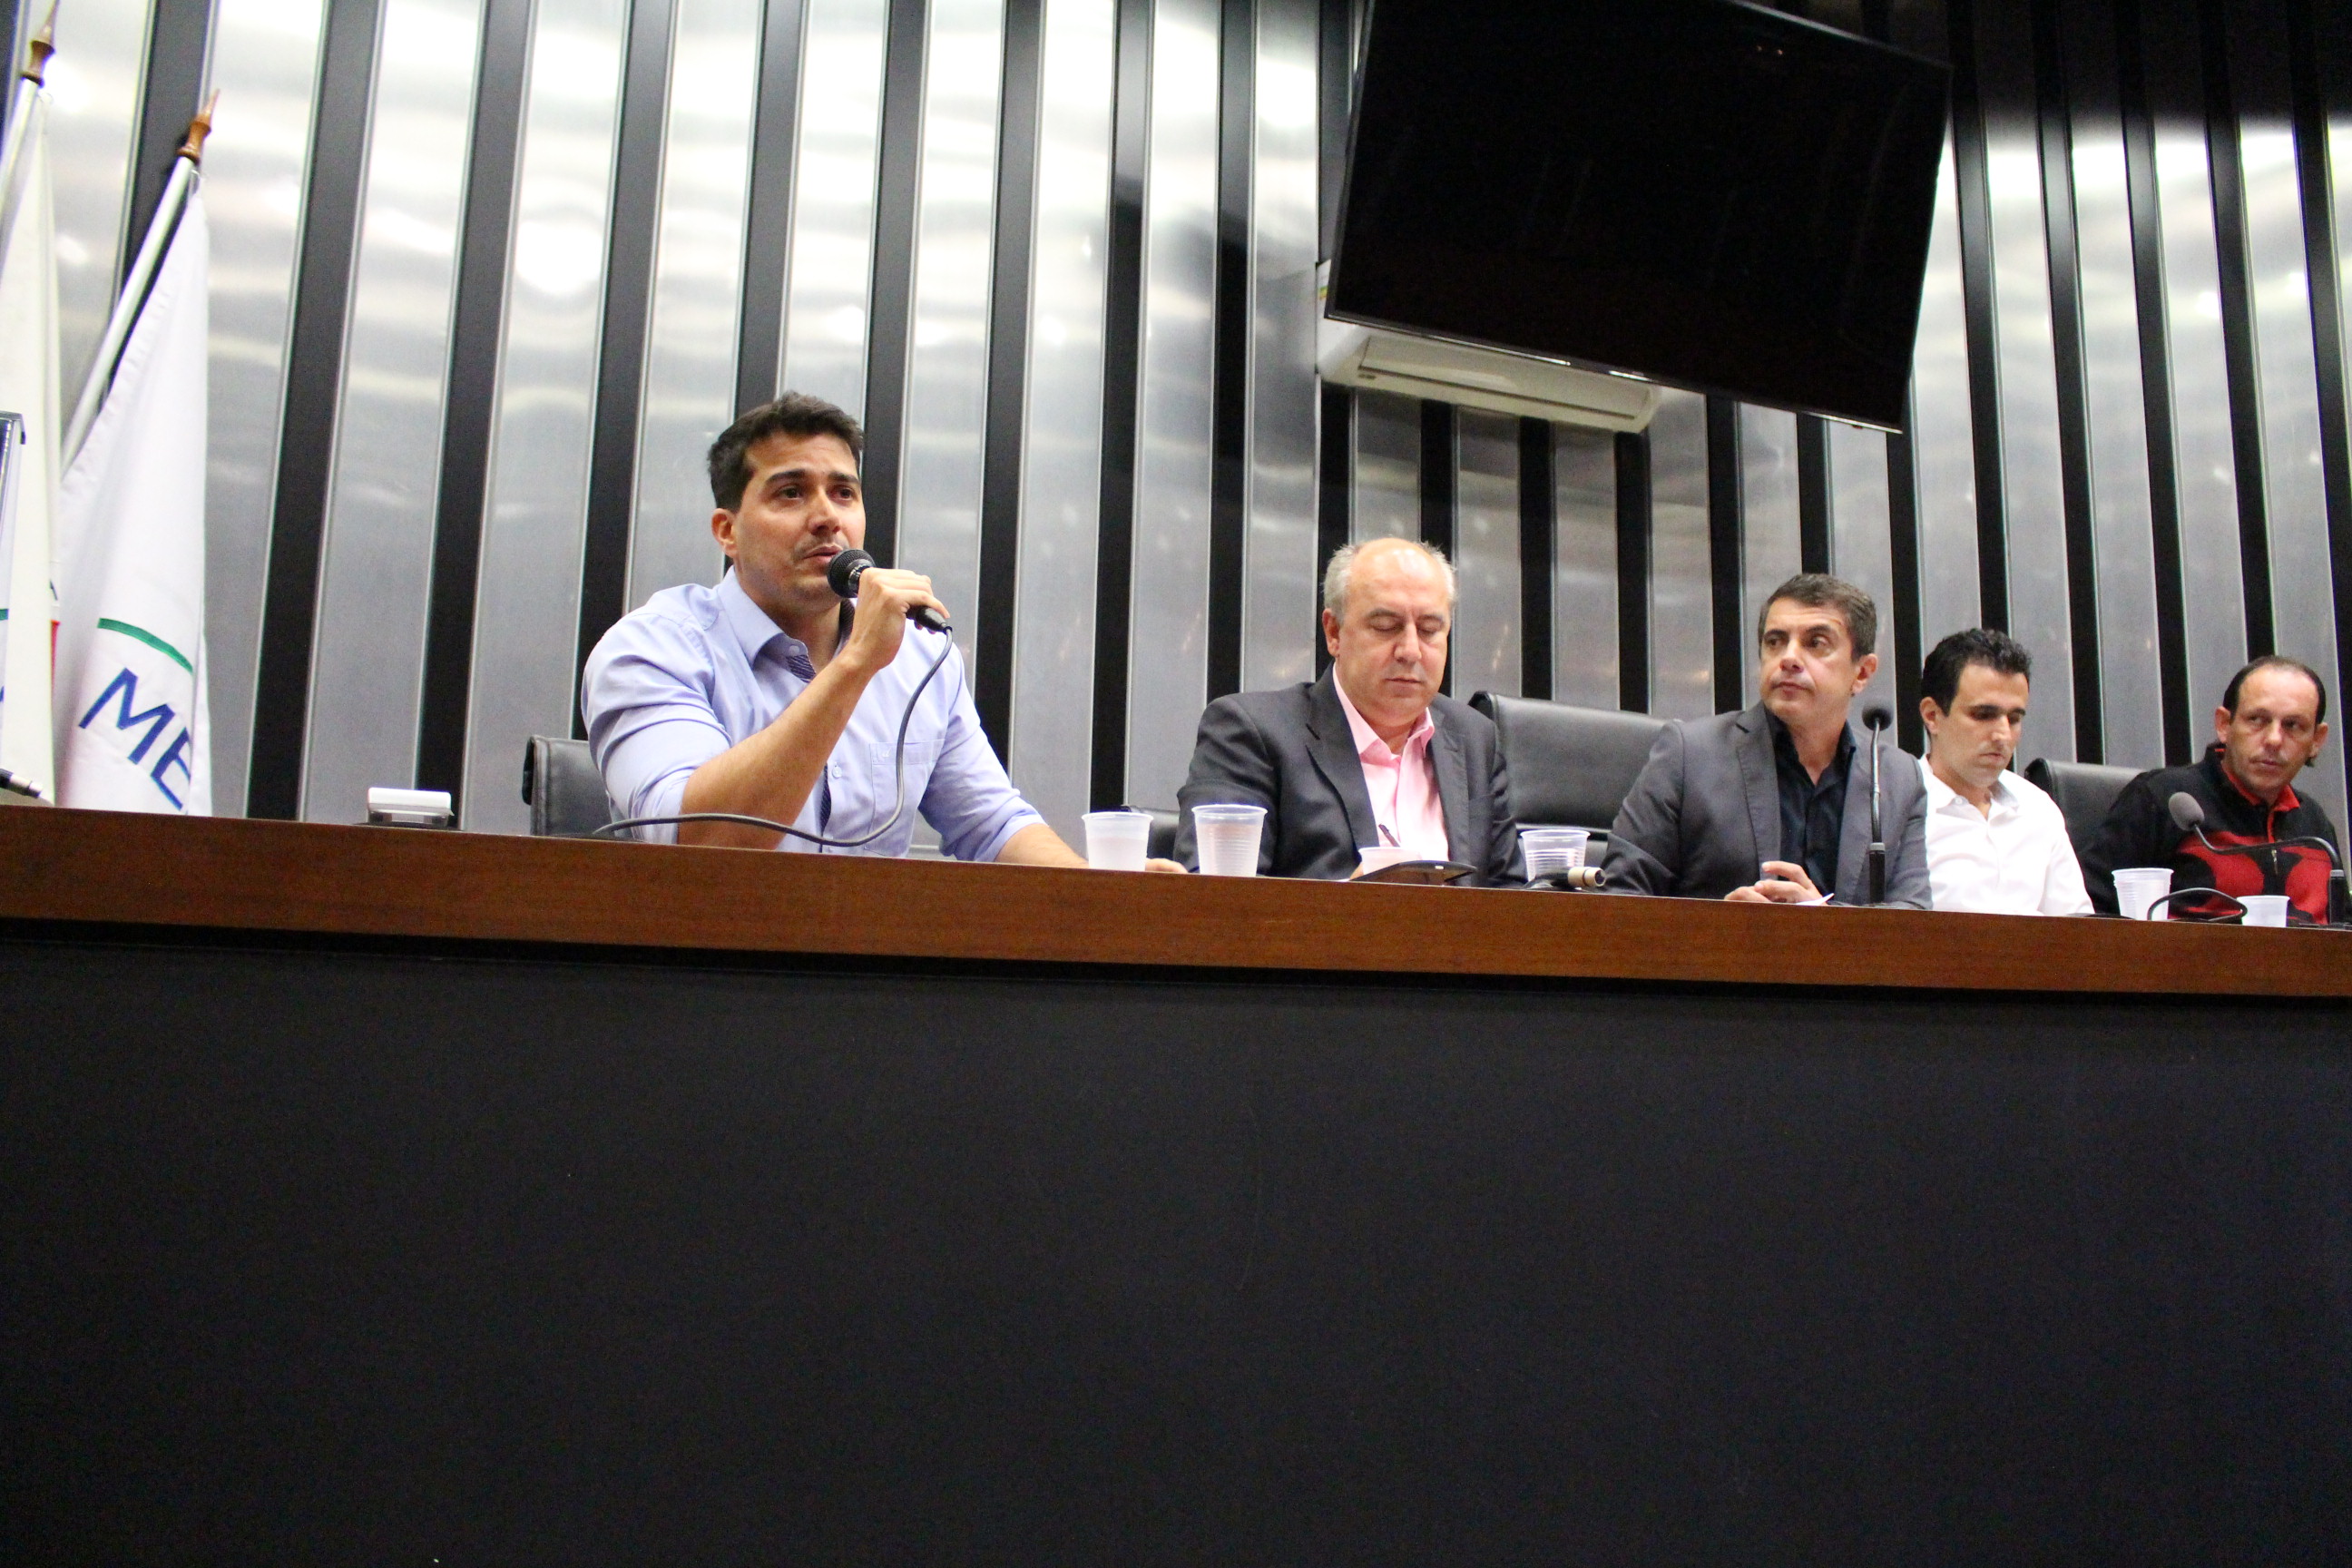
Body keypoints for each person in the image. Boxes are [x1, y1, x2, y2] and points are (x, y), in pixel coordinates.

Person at [583, 394, 1136, 867]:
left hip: (872, 955)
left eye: (844, 493)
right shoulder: (651, 650)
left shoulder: (918, 654)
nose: (828, 517)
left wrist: (1101, 891)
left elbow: (990, 826)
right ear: (728, 531)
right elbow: (698, 843)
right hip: (703, 954)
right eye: (791, 493)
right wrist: (855, 666)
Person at [1172, 536, 1518, 882]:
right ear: (1334, 632)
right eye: (1386, 627)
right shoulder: (1251, 732)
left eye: (1429, 630)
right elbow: (1216, 891)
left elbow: (1514, 896)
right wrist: (1346, 905)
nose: (1411, 651)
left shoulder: (1474, 738)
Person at [1604, 573, 1929, 905]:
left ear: (1862, 672)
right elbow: (1619, 897)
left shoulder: (1897, 778)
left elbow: (1914, 916)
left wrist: (1822, 920)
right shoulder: (1689, 755)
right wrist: (1720, 927)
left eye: (1816, 643)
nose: (1789, 658)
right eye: (1775, 642)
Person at [2081, 656, 2337, 922]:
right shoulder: (2165, 800)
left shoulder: (2315, 826)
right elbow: (2087, 913)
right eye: (2257, 720)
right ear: (2224, 725)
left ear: (2316, 740)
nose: (2274, 739)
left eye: (2293, 725)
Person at [1913, 628, 2090, 916]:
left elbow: (2077, 927)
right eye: (1984, 715)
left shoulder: (2037, 808)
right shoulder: (1895, 808)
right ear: (1932, 716)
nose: (2003, 735)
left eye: (2014, 718)